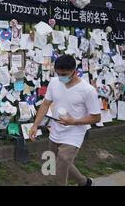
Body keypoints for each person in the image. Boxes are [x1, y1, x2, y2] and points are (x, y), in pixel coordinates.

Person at [29, 54, 101, 186]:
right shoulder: (54, 82)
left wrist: (73, 121)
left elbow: (96, 117)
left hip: (74, 133)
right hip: (56, 130)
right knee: (54, 161)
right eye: (58, 73)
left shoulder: (87, 90)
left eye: (65, 74)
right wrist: (35, 125)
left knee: (60, 164)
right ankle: (84, 182)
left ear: (74, 70)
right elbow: (45, 104)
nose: (61, 77)